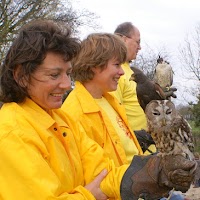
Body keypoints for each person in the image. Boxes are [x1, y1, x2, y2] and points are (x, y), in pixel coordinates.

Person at [0, 19, 196, 200]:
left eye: (68, 73)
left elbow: (103, 170)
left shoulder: (60, 119)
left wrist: (155, 172)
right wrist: (90, 195)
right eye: (54, 75)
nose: (67, 84)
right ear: (21, 76)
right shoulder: (12, 133)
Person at [112, 22, 184, 200]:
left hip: (152, 151)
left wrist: (161, 97)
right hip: (133, 163)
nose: (140, 47)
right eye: (137, 42)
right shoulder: (115, 74)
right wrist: (137, 137)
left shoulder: (132, 71)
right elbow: (113, 117)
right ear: (122, 39)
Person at [62, 33, 143, 166]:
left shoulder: (110, 101)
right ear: (95, 65)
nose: (122, 72)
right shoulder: (74, 114)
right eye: (117, 65)